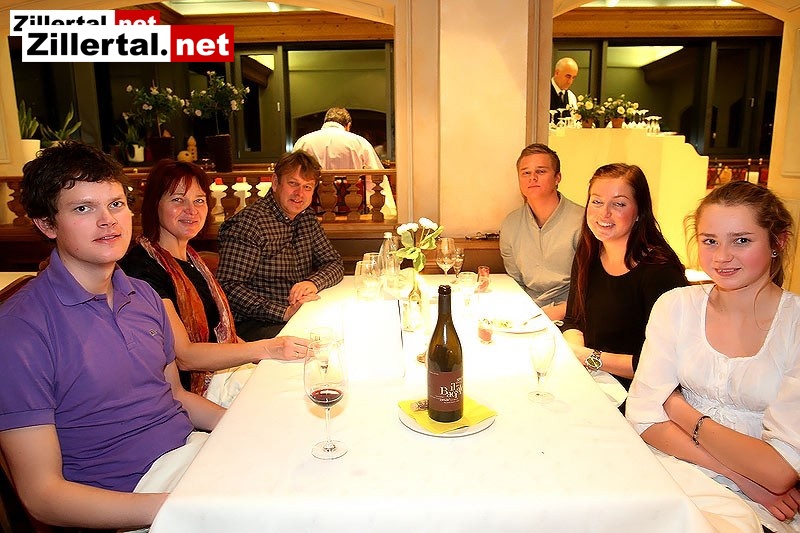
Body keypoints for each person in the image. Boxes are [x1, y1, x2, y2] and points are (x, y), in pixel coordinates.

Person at [0, 142, 224, 530]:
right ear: (47, 224)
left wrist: (244, 424)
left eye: (116, 204)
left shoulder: (143, 295)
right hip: (132, 502)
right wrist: (181, 508)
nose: (108, 221)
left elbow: (176, 396)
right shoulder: (20, 331)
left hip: (191, 459)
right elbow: (42, 496)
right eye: (83, 209)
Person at [627, 181, 800, 532]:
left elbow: (780, 471)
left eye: (741, 240)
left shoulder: (794, 325)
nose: (722, 257)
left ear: (778, 242)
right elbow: (643, 418)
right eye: (710, 241)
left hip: (760, 506)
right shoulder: (676, 305)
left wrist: (677, 407)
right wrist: (744, 478)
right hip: (670, 468)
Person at [119, 159, 308, 397]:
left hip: (223, 377)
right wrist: (267, 349)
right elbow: (185, 356)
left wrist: (265, 358)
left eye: (199, 200)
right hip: (187, 397)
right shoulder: (142, 268)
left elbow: (221, 333)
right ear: (154, 204)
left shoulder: (193, 259)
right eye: (178, 200)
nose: (191, 210)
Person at [561, 163, 687, 395]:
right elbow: (573, 320)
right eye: (596, 201)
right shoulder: (588, 252)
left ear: (639, 212)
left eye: (618, 204)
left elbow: (666, 363)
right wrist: (575, 352)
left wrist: (590, 358)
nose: (604, 213)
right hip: (595, 382)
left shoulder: (660, 270)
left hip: (642, 393)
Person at [216, 150, 344, 341]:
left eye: (307, 187)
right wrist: (283, 312)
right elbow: (228, 288)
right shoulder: (248, 224)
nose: (299, 194)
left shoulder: (306, 217)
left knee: (345, 329)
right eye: (293, 183)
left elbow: (334, 263)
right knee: (324, 344)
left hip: (298, 315)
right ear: (275, 182)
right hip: (255, 325)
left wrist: (312, 283)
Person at [499, 143, 583, 321]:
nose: (533, 178)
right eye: (526, 173)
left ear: (557, 178)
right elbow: (515, 281)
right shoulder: (510, 224)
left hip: (574, 313)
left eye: (541, 171)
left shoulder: (583, 221)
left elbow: (592, 286)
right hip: (528, 309)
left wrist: (553, 313)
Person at [293, 106, 396, 216]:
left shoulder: (303, 142)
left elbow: (293, 174)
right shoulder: (359, 142)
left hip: (312, 211)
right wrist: (387, 211)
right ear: (348, 125)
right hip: (353, 211)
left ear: (325, 122)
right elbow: (377, 177)